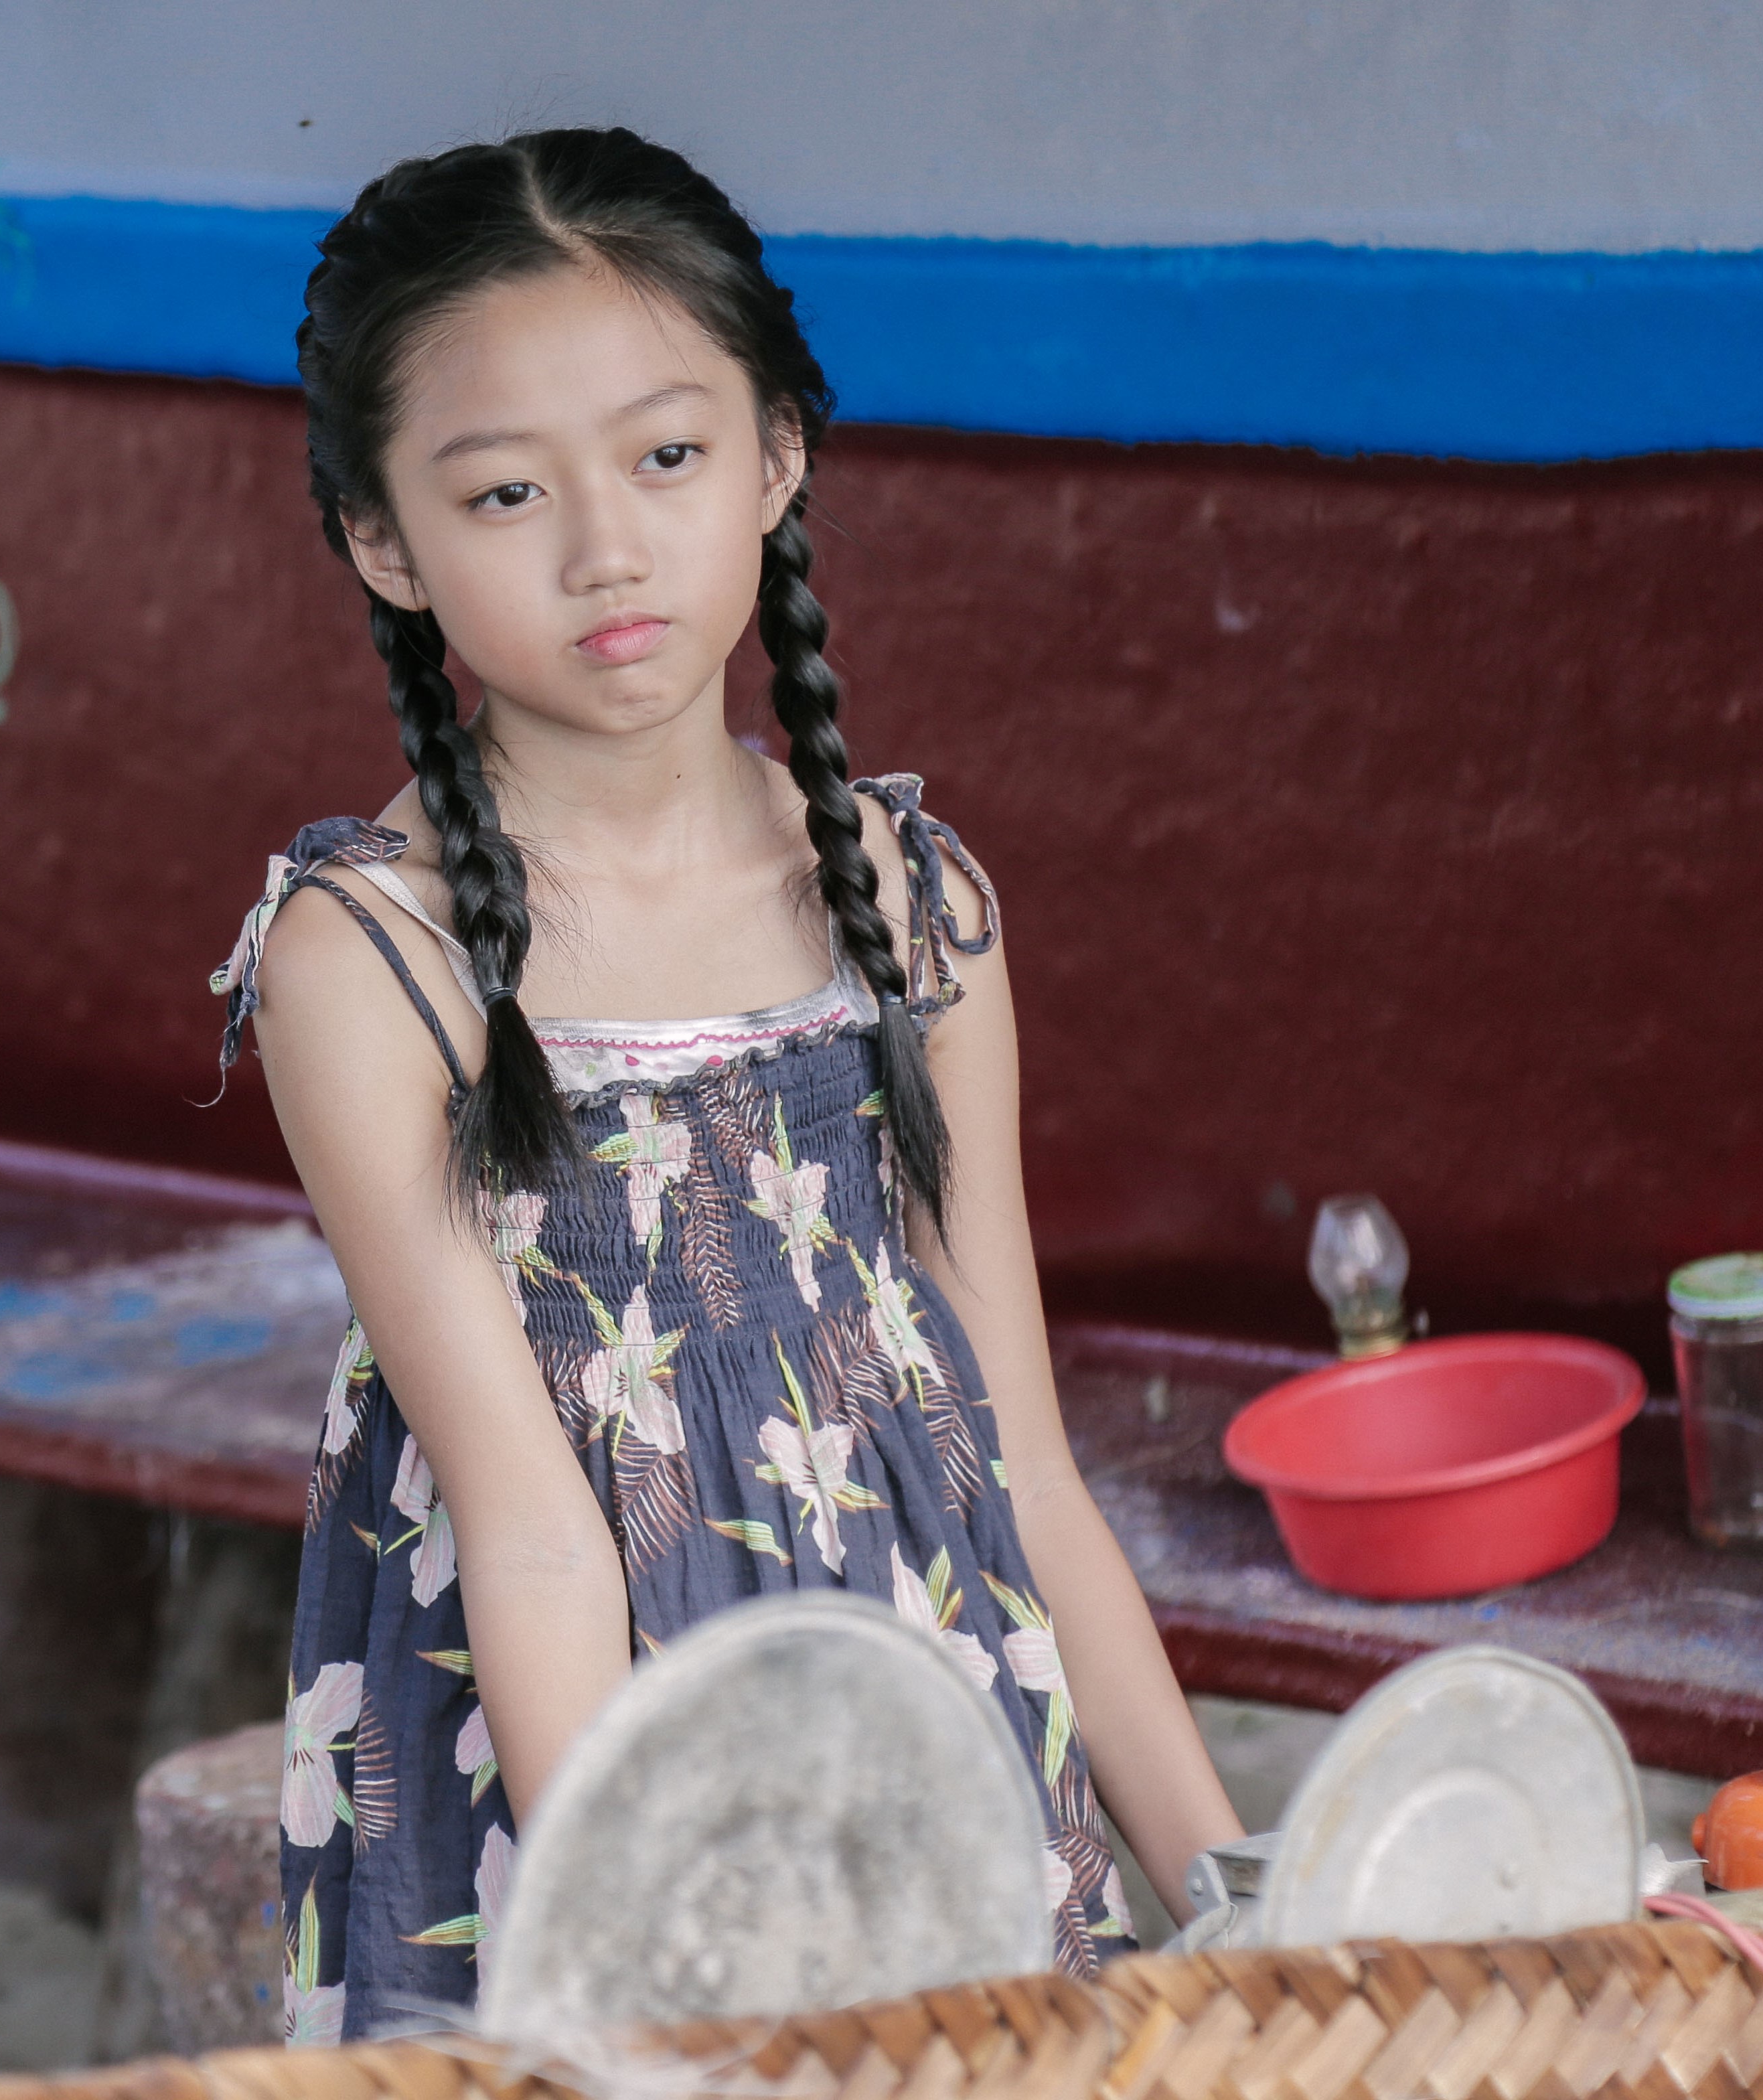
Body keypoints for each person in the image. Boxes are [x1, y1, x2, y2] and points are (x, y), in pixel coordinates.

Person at [212, 128, 1241, 2045]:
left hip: (929, 1735)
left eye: (668, 457)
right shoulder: (371, 961)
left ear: (777, 456)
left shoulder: (909, 901)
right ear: (382, 541)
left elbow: (1023, 1464)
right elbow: (532, 1529)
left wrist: (1240, 1901)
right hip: (579, 1772)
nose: (605, 549)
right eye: (506, 492)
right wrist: (664, 1980)